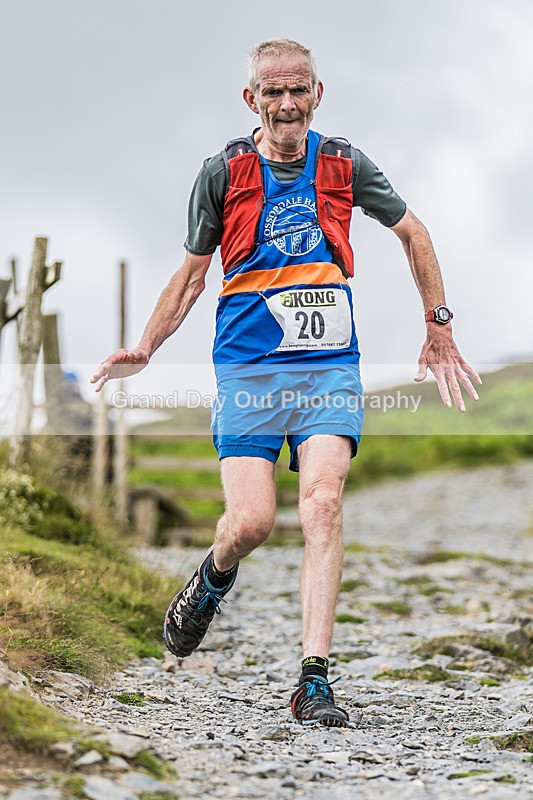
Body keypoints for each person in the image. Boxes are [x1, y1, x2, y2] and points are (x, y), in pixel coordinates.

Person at [92, 39, 481, 728]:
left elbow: (414, 233)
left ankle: (313, 679)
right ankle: (213, 575)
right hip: (248, 368)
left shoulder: (343, 164)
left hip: (328, 367)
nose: (287, 104)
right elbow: (191, 277)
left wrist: (438, 324)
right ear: (252, 100)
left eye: (298, 89)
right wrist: (146, 347)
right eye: (273, 92)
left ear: (317, 94)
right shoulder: (223, 173)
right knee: (250, 524)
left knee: (322, 505)